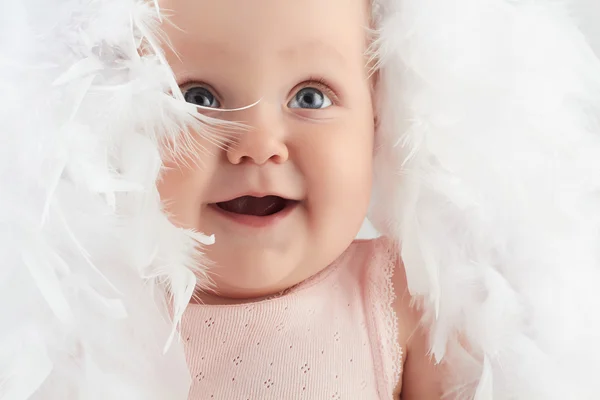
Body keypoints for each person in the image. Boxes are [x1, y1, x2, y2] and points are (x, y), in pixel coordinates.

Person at [3, 0, 600, 399]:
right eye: (199, 97)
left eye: (310, 97)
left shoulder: (403, 300)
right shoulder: (90, 314)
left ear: (378, 124)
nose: (258, 145)